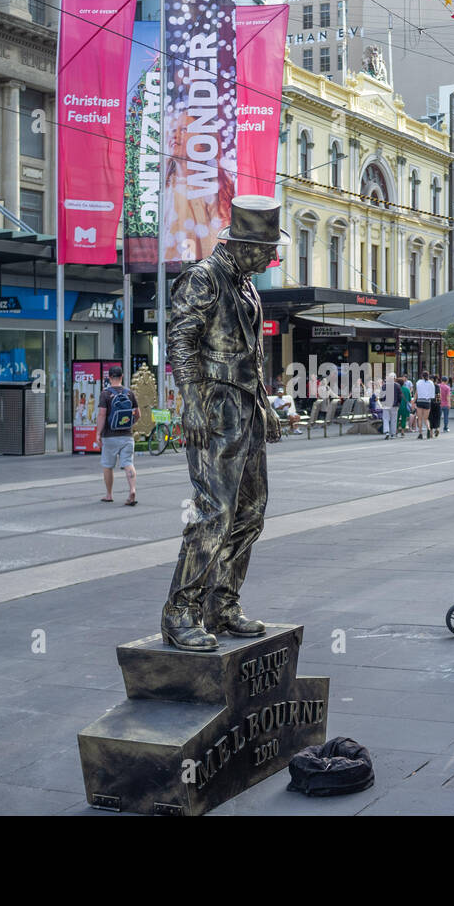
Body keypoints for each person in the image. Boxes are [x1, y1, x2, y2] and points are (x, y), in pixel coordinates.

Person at [161, 195, 283, 652]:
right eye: (265, 248)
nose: (271, 257)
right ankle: (181, 611)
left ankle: (222, 604)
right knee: (215, 512)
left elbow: (251, 353)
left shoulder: (247, 284)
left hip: (246, 406)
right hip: (214, 406)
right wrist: (190, 403)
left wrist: (266, 405)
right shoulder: (202, 279)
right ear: (241, 245)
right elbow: (181, 342)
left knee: (251, 512)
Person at [96, 365, 138, 505]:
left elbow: (102, 414)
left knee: (108, 465)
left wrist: (98, 433)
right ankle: (132, 489)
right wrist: (130, 423)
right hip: (127, 435)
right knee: (128, 463)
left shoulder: (105, 394)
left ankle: (109, 494)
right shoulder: (129, 393)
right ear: (122, 377)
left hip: (110, 436)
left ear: (109, 377)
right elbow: (137, 414)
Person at [415, 370, 436, 440]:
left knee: (420, 418)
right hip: (427, 401)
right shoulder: (431, 383)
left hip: (420, 401)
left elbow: (417, 392)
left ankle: (420, 433)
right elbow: (432, 394)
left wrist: (414, 400)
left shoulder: (418, 382)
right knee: (426, 419)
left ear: (422, 376)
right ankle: (428, 428)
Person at [382, 371, 400, 439]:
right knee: (394, 419)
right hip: (394, 405)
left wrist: (382, 402)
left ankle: (386, 431)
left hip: (386, 404)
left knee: (386, 418)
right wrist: (398, 403)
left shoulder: (384, 385)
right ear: (394, 378)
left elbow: (381, 395)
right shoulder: (397, 385)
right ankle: (393, 433)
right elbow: (400, 396)